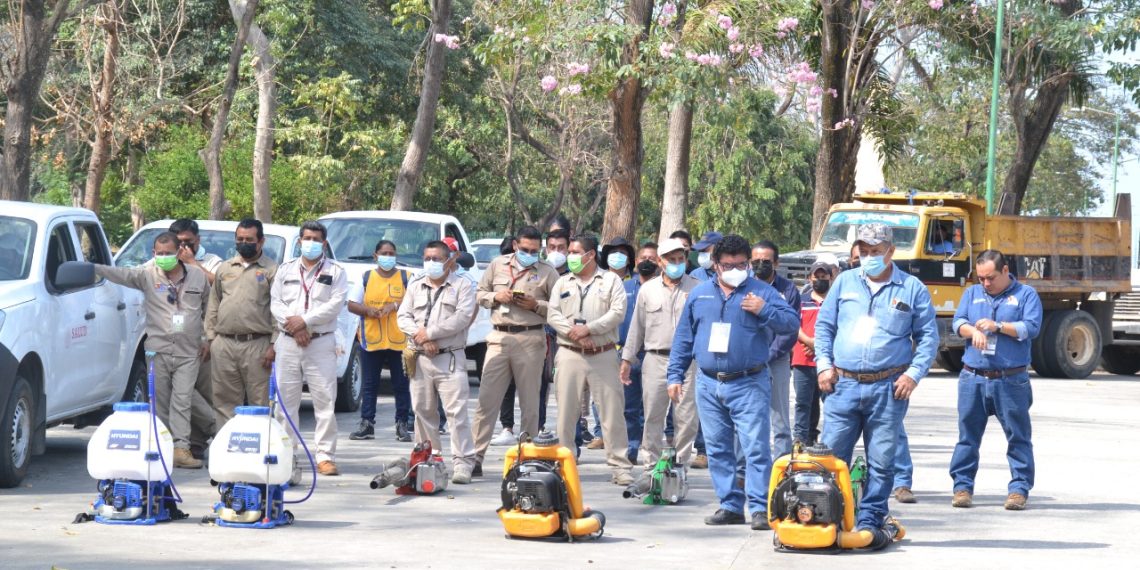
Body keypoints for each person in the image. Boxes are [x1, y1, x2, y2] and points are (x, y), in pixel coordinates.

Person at [668, 235, 799, 529]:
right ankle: (729, 505)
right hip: (708, 383)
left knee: (755, 448)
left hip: (749, 382)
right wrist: (675, 375)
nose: (736, 270)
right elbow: (683, 338)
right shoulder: (699, 294)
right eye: (729, 265)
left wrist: (763, 309)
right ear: (716, 265)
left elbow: (791, 323)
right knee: (717, 447)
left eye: (742, 264)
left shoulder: (762, 292)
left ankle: (758, 508)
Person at [814, 222, 938, 532]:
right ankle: (830, 515)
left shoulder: (912, 288)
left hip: (888, 389)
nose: (869, 257)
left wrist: (913, 375)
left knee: (882, 462)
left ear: (891, 251)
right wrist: (823, 365)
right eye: (864, 251)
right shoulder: (844, 283)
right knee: (830, 459)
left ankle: (870, 519)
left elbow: (927, 338)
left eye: (876, 251)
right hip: (842, 386)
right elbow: (824, 327)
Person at [91, 231, 211, 469]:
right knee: (160, 402)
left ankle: (180, 448)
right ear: (154, 254)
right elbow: (120, 274)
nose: (164, 257)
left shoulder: (197, 276)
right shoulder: (147, 276)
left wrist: (207, 337)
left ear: (179, 252)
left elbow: (208, 309)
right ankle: (161, 447)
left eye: (169, 253)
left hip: (189, 351)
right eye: (160, 254)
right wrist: (94, 268)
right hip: (158, 351)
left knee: (183, 400)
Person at [949, 250, 1042, 511]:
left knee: (1018, 436)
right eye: (980, 278)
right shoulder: (972, 293)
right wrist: (973, 331)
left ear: (1005, 271)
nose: (985, 284)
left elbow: (1031, 328)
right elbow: (958, 323)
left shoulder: (1025, 295)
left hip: (1010, 380)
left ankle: (1019, 489)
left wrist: (999, 326)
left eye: (990, 278)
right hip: (973, 378)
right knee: (967, 436)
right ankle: (962, 487)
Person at [471, 226, 559, 476]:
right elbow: (479, 294)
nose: (530, 254)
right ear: (515, 246)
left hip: (531, 337)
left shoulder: (547, 271)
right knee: (487, 401)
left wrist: (536, 305)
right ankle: (474, 458)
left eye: (534, 251)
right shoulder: (497, 264)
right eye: (525, 250)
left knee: (530, 403)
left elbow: (560, 307)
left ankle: (526, 460)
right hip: (499, 336)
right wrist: (496, 296)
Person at [548, 234, 634, 485]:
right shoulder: (563, 282)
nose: (571, 257)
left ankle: (620, 466)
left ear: (590, 255)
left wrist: (590, 329)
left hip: (603, 354)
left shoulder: (610, 281)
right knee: (565, 413)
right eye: (570, 252)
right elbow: (553, 314)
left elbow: (617, 313)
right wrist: (573, 333)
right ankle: (565, 465)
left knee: (612, 412)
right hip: (568, 353)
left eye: (575, 252)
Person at [396, 240, 479, 484]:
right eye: (427, 258)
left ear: (450, 260)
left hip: (450, 358)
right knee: (423, 412)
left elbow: (462, 318)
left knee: (456, 413)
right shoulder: (415, 284)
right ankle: (429, 457)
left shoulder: (462, 286)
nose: (431, 263)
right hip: (421, 358)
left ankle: (463, 462)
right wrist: (421, 338)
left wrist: (430, 334)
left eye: (437, 258)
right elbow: (403, 317)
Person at [271, 221, 348, 478]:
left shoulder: (336, 271)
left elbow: (336, 304)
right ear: (299, 241)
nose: (311, 242)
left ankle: (325, 456)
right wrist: (295, 326)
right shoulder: (285, 270)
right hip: (288, 341)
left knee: (325, 401)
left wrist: (305, 321)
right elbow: (276, 303)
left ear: (324, 243)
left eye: (316, 238)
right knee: (285, 402)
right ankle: (286, 454)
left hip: (321, 341)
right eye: (306, 238)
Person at [622, 238, 700, 467]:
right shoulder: (647, 290)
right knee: (653, 415)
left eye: (681, 259)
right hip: (655, 358)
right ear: (660, 262)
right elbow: (637, 327)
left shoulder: (697, 289)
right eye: (671, 259)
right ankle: (651, 465)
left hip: (688, 362)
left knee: (686, 418)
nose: (677, 263)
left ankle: (681, 465)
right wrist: (627, 359)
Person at [205, 219, 278, 431]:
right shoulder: (225, 268)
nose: (244, 243)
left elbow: (278, 310)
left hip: (258, 345)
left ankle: (260, 450)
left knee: (260, 402)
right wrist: (211, 339)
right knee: (224, 402)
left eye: (249, 240)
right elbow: (214, 303)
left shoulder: (272, 270)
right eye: (240, 239)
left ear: (261, 241)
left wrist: (273, 344)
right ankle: (227, 450)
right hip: (224, 344)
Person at [346, 240, 412, 443]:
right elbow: (351, 304)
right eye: (384, 253)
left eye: (392, 253)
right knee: (369, 384)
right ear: (375, 256)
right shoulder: (366, 277)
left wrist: (394, 305)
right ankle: (367, 424)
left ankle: (402, 424)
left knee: (401, 385)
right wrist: (368, 310)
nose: (388, 256)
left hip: (399, 340)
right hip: (371, 339)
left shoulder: (406, 277)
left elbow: (415, 300)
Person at [170, 219, 224, 460]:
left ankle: (199, 441)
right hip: (171, 341)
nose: (184, 247)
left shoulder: (213, 261)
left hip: (203, 338)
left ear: (198, 240)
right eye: (179, 243)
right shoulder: (165, 260)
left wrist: (192, 264)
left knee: (204, 391)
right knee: (181, 390)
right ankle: (214, 430)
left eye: (188, 243)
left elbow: (221, 288)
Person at [751, 240, 800, 459]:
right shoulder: (744, 286)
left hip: (777, 360)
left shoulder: (788, 289)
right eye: (756, 261)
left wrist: (769, 354)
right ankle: (745, 470)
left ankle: (781, 466)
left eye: (766, 261)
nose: (761, 265)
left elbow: (790, 329)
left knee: (780, 418)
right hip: (749, 362)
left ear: (776, 263)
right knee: (748, 418)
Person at [617, 241, 658, 461]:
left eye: (652, 258)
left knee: (651, 407)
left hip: (653, 354)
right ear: (635, 262)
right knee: (629, 407)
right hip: (627, 354)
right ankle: (631, 449)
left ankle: (650, 450)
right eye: (643, 258)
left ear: (659, 262)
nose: (647, 262)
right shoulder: (623, 288)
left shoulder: (662, 288)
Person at [791, 257, 838, 446]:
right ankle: (801, 439)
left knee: (831, 402)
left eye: (823, 275)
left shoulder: (836, 301)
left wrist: (819, 346)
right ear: (810, 278)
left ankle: (831, 438)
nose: (820, 279)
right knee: (804, 402)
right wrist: (809, 342)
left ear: (830, 277)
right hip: (803, 359)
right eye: (816, 276)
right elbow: (793, 324)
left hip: (828, 361)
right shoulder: (801, 301)